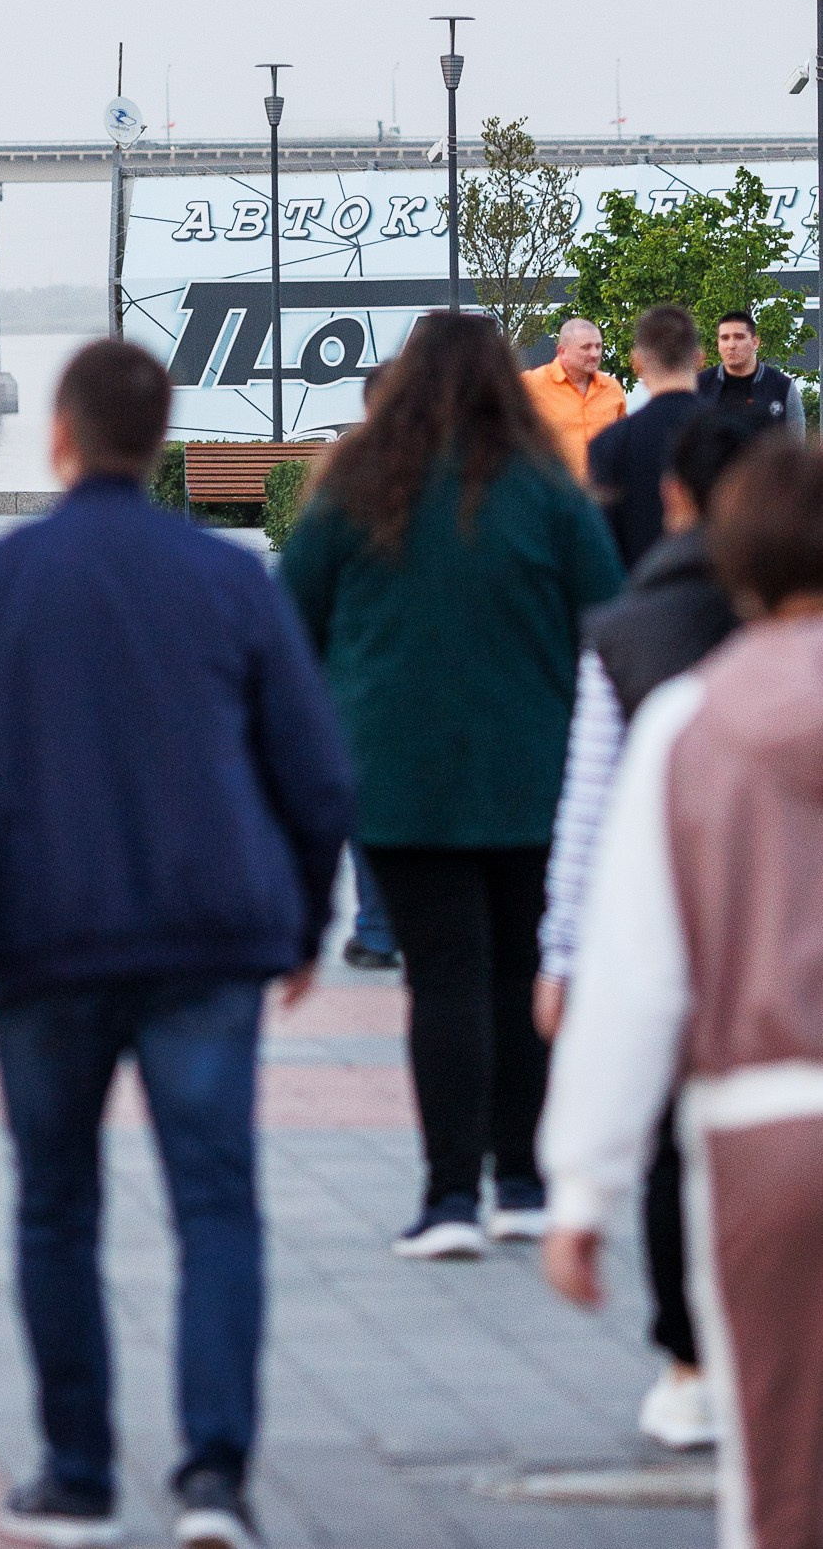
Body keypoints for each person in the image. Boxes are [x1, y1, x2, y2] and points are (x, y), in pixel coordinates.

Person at [0, 337, 352, 1549]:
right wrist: (306, 920)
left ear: (57, 434)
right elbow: (313, 769)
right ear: (158, 440)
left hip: (42, 943)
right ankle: (212, 1477)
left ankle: (77, 1474)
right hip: (209, 940)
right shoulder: (228, 581)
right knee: (215, 1203)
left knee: (54, 1205)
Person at [279, 310, 620, 1257]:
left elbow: (287, 623)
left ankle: (446, 1202)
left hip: (397, 781)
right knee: (519, 976)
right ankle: (521, 1184)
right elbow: (611, 621)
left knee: (443, 984)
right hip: (532, 779)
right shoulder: (548, 490)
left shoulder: (354, 482)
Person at [539, 436, 823, 1549]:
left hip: (757, 1125)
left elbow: (635, 973)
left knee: (773, 1459)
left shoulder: (688, 724)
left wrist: (579, 1186)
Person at [535, 402, 754, 1452]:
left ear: (671, 498)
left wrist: (563, 948)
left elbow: (586, 803)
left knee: (678, 1147)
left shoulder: (627, 633)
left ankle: (684, 1361)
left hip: (676, 935)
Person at [585, 304, 705, 573]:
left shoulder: (610, 445)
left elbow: (602, 551)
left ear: (636, 361)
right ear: (699, 358)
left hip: (640, 596)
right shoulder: (746, 432)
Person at [519, 318, 629, 482]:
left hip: (603, 496)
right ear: (562, 351)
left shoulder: (612, 389)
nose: (595, 354)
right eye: (586, 347)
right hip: (552, 494)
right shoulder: (531, 384)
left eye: (598, 346)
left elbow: (623, 442)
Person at [699, 309, 806, 439]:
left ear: (755, 342)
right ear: (718, 344)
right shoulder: (700, 385)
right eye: (724, 338)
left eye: (739, 337)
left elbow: (796, 445)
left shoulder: (782, 387)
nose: (731, 345)